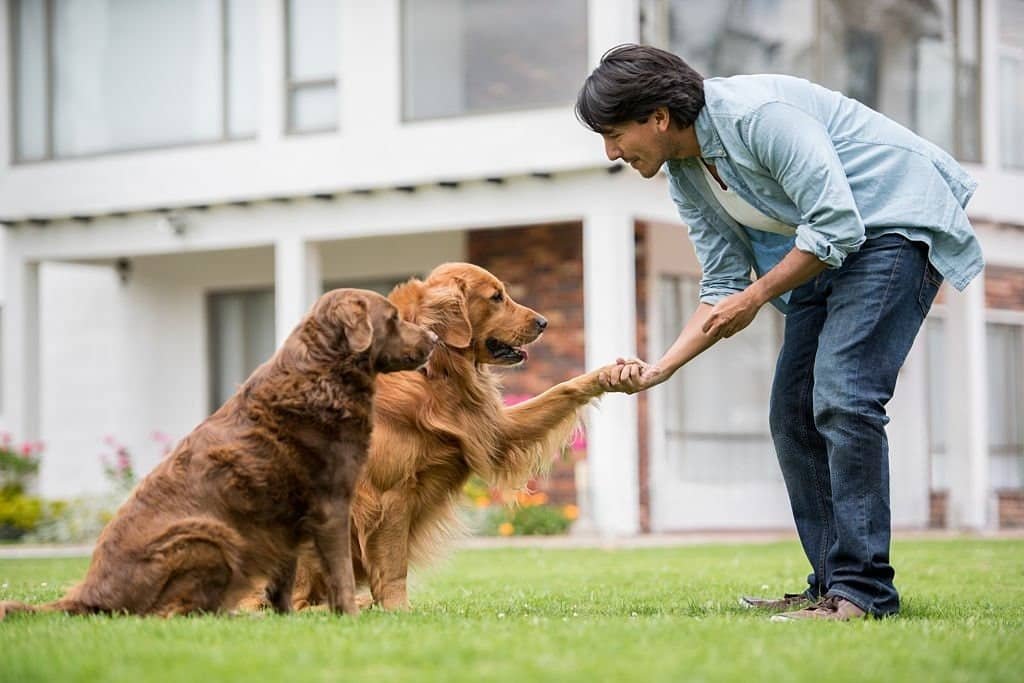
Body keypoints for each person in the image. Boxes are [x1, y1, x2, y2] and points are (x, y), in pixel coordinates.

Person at [582, 44, 983, 621]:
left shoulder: (757, 116)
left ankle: (864, 593)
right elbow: (723, 284)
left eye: (615, 134)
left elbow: (836, 223)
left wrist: (756, 296)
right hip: (825, 251)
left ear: (659, 117)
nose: (611, 152)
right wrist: (660, 368)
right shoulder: (688, 175)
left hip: (890, 228)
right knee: (792, 413)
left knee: (845, 396)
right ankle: (832, 585)